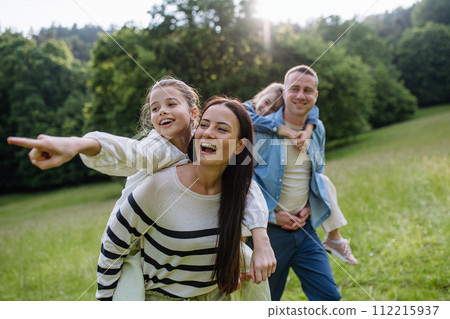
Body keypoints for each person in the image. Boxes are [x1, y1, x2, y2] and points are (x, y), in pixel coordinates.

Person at [7, 77, 275, 300]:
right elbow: (130, 152)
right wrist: (78, 144)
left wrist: (259, 236)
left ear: (193, 113)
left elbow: (245, 187)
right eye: (155, 108)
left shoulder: (205, 140)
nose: (162, 112)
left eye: (171, 103)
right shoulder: (158, 147)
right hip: (137, 245)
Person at [97, 97, 261, 300]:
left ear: (239, 146)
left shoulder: (238, 194)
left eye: (222, 129)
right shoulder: (159, 186)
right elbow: (113, 244)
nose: (208, 133)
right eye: (204, 125)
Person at [248, 65, 343, 301]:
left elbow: (316, 172)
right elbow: (245, 182)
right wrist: (271, 216)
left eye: (308, 90)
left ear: (316, 96)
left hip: (305, 229)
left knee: (329, 299)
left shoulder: (317, 128)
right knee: (266, 302)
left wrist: (310, 207)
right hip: (268, 235)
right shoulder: (261, 129)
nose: (301, 95)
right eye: (295, 89)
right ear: (284, 92)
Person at [246, 82, 358, 265]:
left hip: (300, 222)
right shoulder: (247, 112)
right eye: (265, 102)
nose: (266, 110)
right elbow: (248, 116)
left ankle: (335, 237)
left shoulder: (312, 126)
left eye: (274, 108)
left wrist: (308, 129)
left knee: (323, 180)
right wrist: (285, 130)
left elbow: (313, 110)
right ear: (257, 97)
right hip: (263, 218)